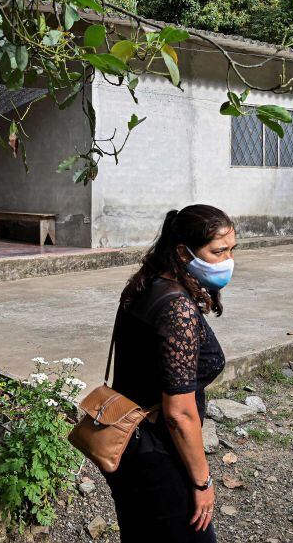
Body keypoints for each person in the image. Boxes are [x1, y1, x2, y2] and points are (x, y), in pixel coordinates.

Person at [101, 204, 235, 541]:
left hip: (129, 444)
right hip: (159, 456)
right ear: (183, 252)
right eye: (218, 251)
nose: (228, 260)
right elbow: (179, 413)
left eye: (232, 250)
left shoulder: (145, 284)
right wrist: (202, 481)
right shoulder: (177, 308)